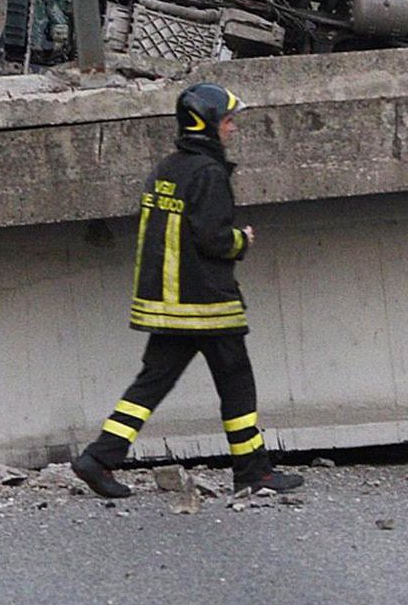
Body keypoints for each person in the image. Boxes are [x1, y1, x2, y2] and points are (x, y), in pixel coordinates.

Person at [72, 83, 303, 499]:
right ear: (208, 124)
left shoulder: (167, 169)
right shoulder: (209, 174)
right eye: (228, 121)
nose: (232, 129)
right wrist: (242, 240)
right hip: (207, 303)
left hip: (166, 304)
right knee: (237, 383)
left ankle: (99, 457)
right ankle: (254, 472)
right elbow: (213, 239)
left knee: (151, 384)